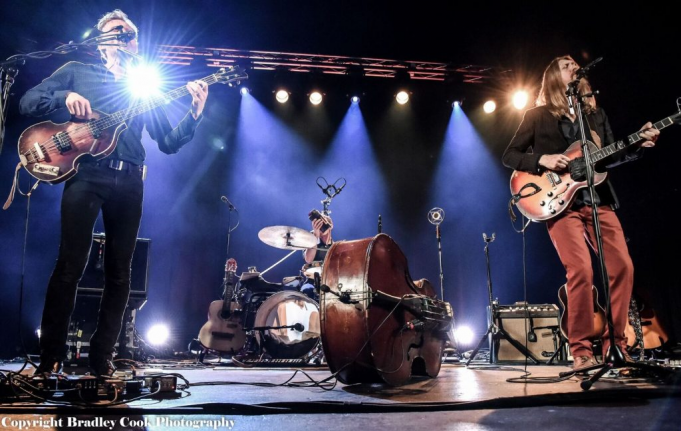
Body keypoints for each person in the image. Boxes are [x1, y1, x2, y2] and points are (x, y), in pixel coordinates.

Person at [20, 9, 209, 376]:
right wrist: (65, 96)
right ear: (101, 42)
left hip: (129, 180)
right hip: (86, 175)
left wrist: (194, 113)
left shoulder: (144, 89)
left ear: (135, 44)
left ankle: (101, 357)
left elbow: (168, 143)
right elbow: (28, 102)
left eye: (128, 33)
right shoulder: (78, 70)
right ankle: (50, 359)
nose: (123, 36)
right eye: (115, 31)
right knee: (69, 266)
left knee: (120, 273)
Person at [502, 55, 659, 372]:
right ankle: (582, 351)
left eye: (575, 63)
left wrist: (639, 144)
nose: (574, 66)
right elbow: (510, 156)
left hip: (598, 199)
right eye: (566, 64)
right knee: (581, 272)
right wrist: (543, 159)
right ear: (554, 78)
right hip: (560, 205)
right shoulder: (538, 116)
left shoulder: (595, 115)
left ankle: (616, 346)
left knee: (623, 267)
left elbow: (611, 155)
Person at [300, 214, 333, 299]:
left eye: (323, 224)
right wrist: (315, 236)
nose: (321, 227)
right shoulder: (311, 241)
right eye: (319, 224)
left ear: (330, 226)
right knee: (307, 290)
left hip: (331, 281)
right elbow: (308, 260)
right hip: (312, 281)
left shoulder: (335, 246)